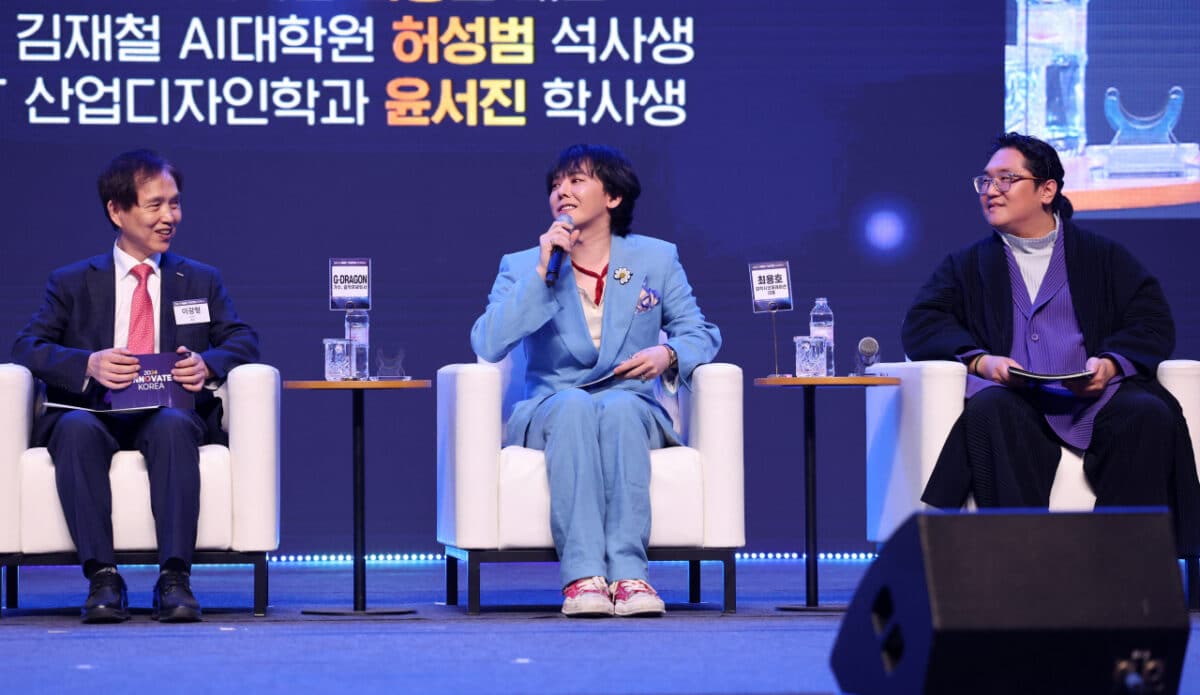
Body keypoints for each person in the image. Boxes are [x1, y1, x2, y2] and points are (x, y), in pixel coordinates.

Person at [901, 132, 1200, 550]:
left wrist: (1110, 365)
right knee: (990, 409)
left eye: (1006, 179)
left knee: (1148, 414)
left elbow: (1152, 320)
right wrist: (983, 363)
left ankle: (1121, 570)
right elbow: (921, 323)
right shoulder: (966, 265)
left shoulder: (1102, 256)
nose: (991, 191)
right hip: (1016, 397)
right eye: (985, 181)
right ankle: (1024, 569)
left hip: (1098, 395)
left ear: (1047, 190)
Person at [471, 144, 721, 617]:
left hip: (630, 403)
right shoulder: (524, 265)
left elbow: (700, 332)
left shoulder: (656, 258)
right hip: (551, 406)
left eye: (577, 180)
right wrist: (544, 273)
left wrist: (667, 352)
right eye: (555, 185)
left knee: (622, 408)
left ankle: (630, 577)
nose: (562, 191)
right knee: (573, 405)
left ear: (613, 197)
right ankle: (583, 576)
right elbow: (487, 342)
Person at [11, 149, 259, 623]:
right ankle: (103, 578)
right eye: (155, 205)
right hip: (94, 413)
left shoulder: (199, 279)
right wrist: (89, 363)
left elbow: (244, 339)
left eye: (175, 204)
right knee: (75, 431)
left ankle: (174, 579)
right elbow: (28, 346)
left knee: (172, 426)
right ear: (116, 211)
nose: (170, 217)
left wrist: (206, 364)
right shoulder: (72, 282)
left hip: (168, 412)